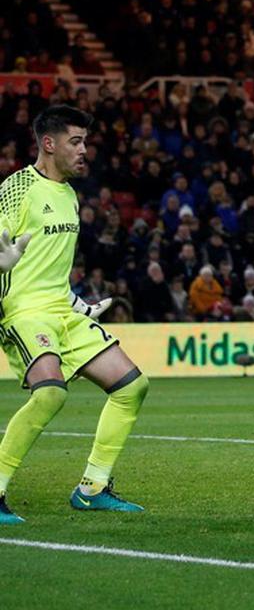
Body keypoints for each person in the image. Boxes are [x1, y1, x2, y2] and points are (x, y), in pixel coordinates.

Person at [0, 106, 151, 525]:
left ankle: (93, 488)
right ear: (49, 144)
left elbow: (50, 268)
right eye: (76, 141)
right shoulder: (16, 188)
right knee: (50, 393)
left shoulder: (68, 194)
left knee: (132, 387)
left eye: (85, 142)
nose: (85, 150)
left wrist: (78, 303)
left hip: (62, 312)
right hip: (24, 312)